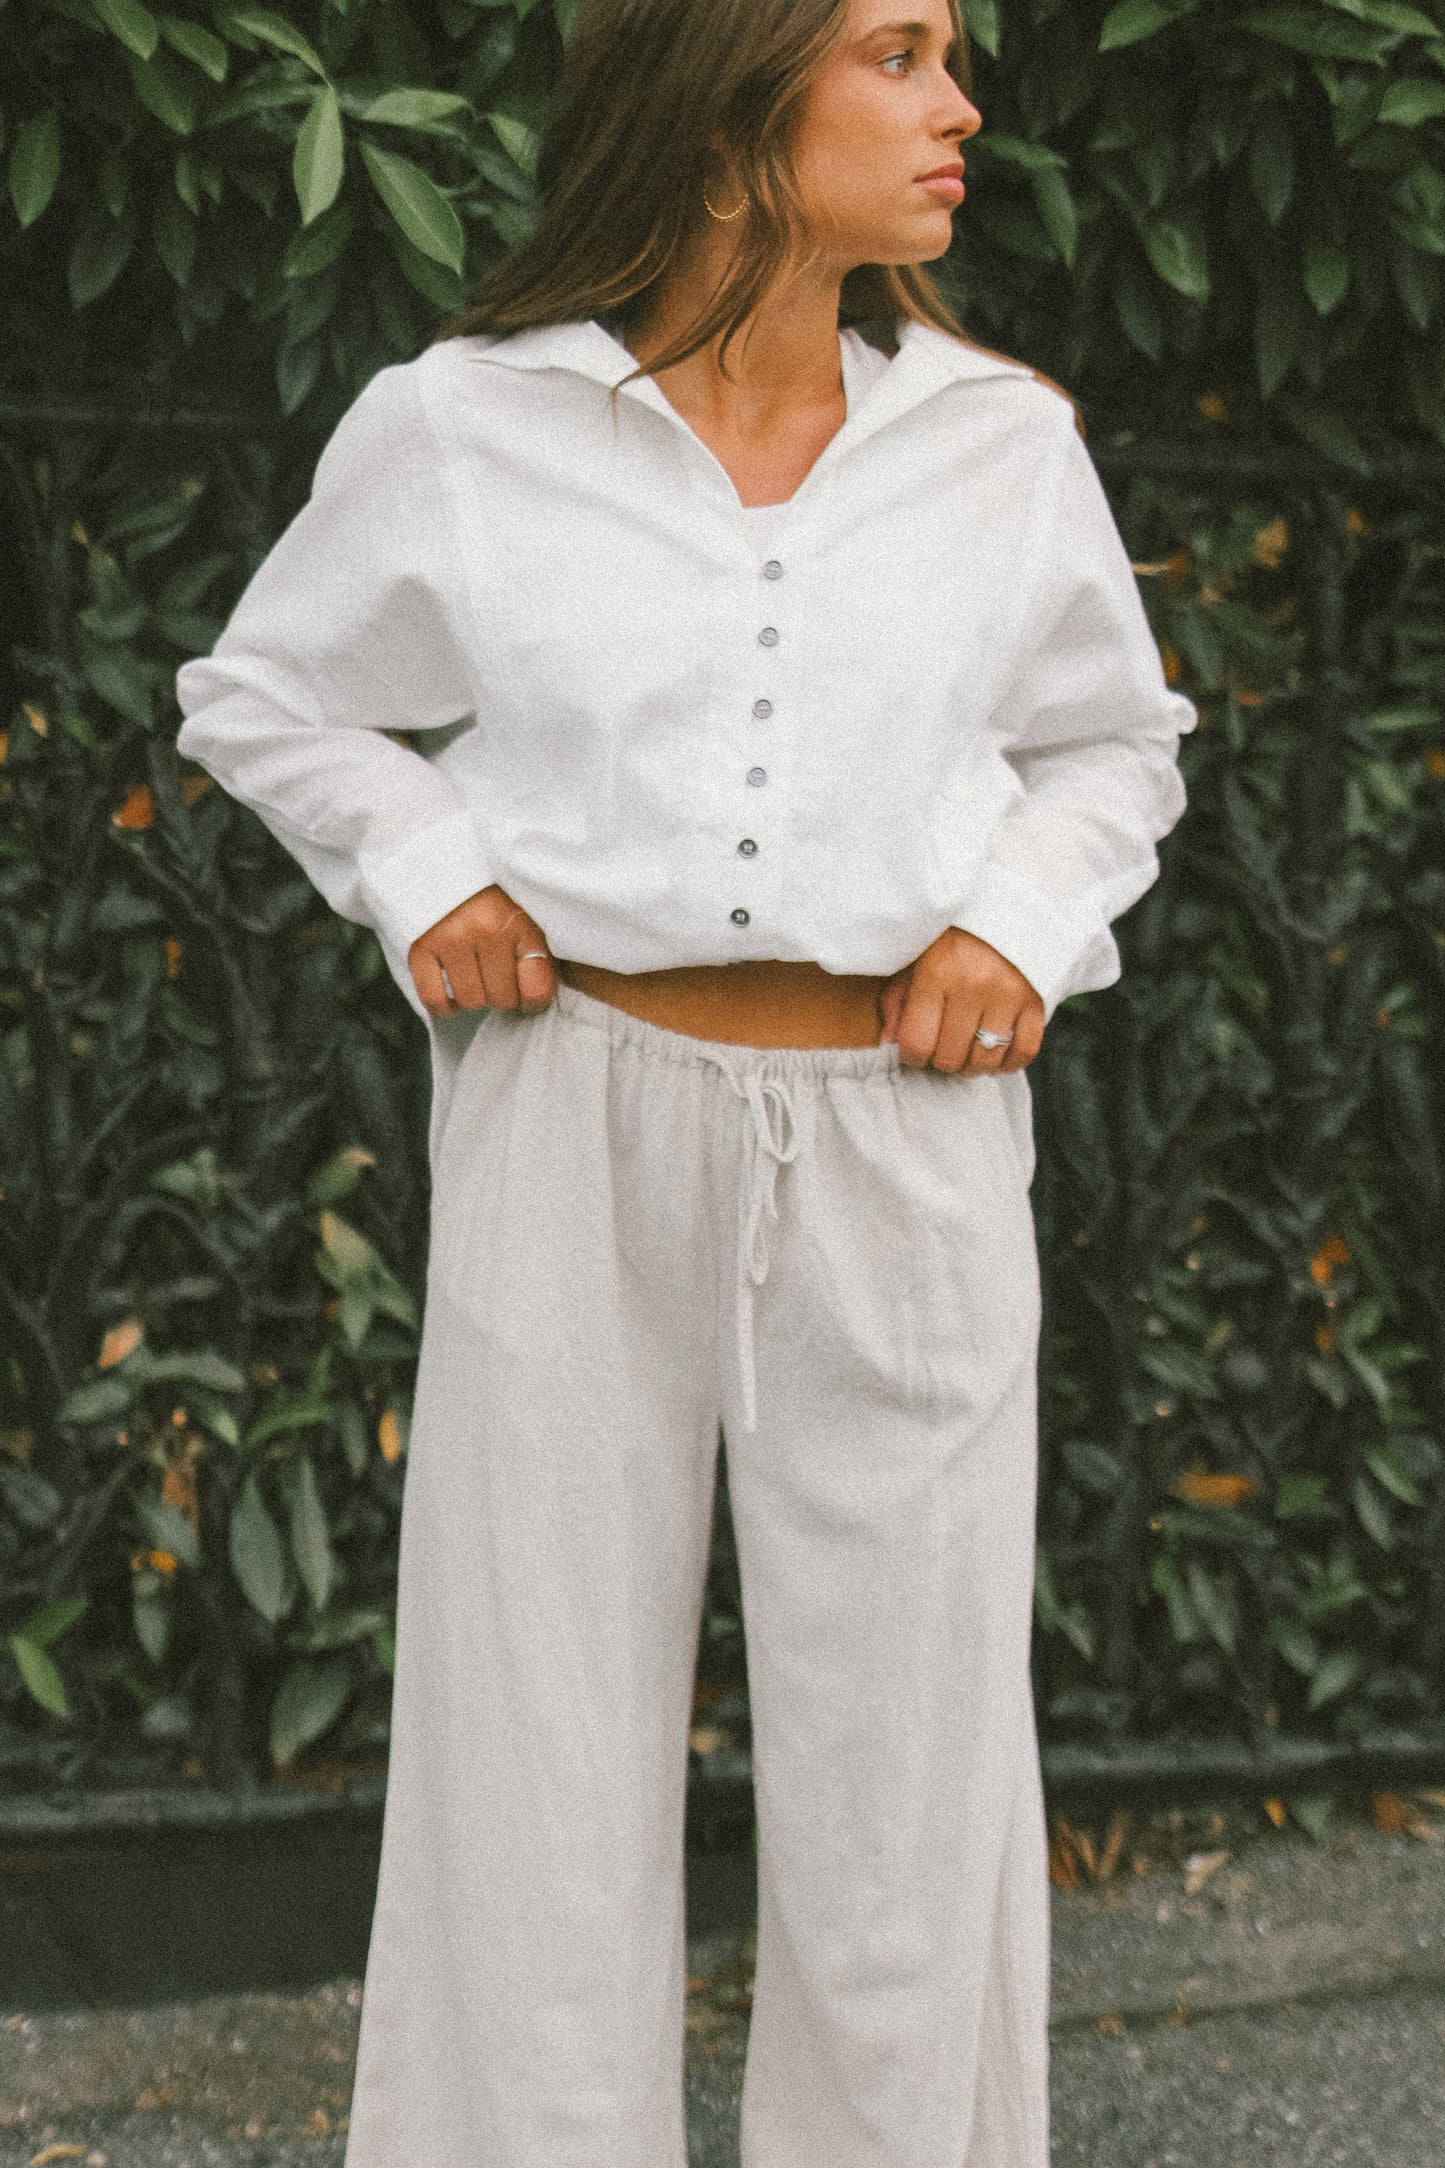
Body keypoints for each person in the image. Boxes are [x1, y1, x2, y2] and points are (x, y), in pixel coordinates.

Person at [174, 0, 1198, 2159]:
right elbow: (267, 693)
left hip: (905, 1147)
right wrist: (426, 867)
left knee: (910, 1763)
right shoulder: (466, 426)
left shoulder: (999, 445)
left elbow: (1115, 742)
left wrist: (1015, 926)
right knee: (529, 1734)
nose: (959, 108)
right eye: (898, 55)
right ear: (732, 111)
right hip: (576, 1110)